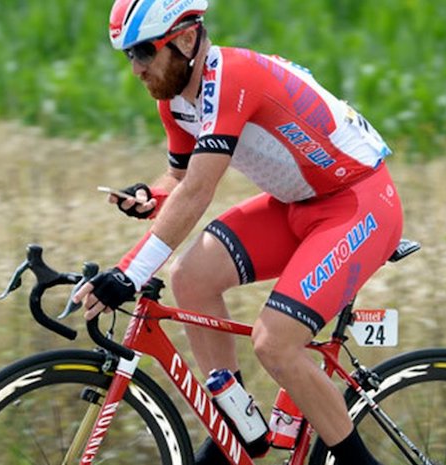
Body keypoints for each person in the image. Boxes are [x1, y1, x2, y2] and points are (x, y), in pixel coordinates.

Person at [73, 1, 403, 465]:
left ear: (186, 39)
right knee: (191, 279)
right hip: (297, 205)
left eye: (144, 52)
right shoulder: (176, 98)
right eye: (128, 56)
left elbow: (200, 192)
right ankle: (238, 429)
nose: (136, 69)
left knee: (275, 342)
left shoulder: (231, 77)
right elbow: (180, 182)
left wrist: (127, 274)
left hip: (358, 204)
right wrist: (150, 194)